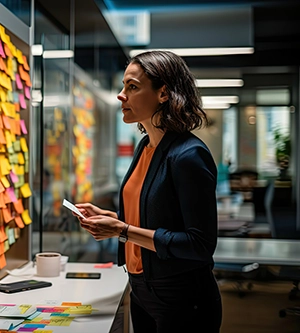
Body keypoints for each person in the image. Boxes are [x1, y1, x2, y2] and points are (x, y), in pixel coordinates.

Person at [75, 51, 222, 333]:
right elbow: (156, 214)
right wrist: (113, 218)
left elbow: (200, 245)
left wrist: (122, 230)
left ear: (163, 93)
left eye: (132, 87)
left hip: (182, 299)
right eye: (123, 86)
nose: (121, 95)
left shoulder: (189, 155)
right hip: (142, 290)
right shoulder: (146, 147)